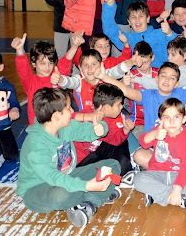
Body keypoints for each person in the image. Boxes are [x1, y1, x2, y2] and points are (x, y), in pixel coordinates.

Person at [16, 88, 121, 228]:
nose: (72, 111)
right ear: (56, 116)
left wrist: (100, 129)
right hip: (38, 189)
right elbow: (53, 177)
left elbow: (89, 131)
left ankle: (89, 203)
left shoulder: (65, 127)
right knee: (61, 195)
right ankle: (96, 196)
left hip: (67, 176)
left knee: (112, 166)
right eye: (68, 108)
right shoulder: (35, 144)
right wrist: (86, 186)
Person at [133, 98, 186, 210]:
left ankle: (156, 194)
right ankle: (178, 198)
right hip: (157, 173)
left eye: (176, 117)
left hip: (178, 175)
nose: (172, 122)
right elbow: (143, 143)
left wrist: (177, 189)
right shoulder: (159, 131)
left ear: (184, 119)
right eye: (166, 118)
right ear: (160, 120)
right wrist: (154, 134)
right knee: (138, 179)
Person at [73, 83, 134, 175]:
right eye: (119, 105)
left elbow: (114, 140)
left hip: (94, 154)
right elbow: (69, 118)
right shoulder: (84, 115)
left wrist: (126, 129)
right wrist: (89, 117)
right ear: (106, 108)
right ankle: (116, 173)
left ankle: (123, 172)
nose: (122, 107)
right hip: (80, 164)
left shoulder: (106, 120)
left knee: (122, 143)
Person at [102, 0, 174, 66]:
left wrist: (169, 34)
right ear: (129, 22)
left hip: (160, 72)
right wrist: (109, 5)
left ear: (148, 18)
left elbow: (176, 50)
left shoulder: (161, 34)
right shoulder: (127, 39)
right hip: (135, 73)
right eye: (133, 17)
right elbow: (109, 29)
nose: (137, 20)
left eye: (141, 16)